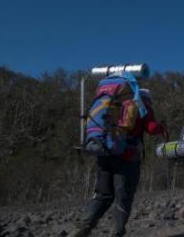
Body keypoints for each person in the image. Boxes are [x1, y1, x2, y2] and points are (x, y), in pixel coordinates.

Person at [71, 87, 166, 237]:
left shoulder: (115, 105)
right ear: (147, 99)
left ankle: (83, 227)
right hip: (126, 155)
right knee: (123, 195)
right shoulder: (143, 107)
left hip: (105, 151)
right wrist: (161, 127)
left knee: (103, 194)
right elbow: (151, 128)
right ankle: (117, 232)